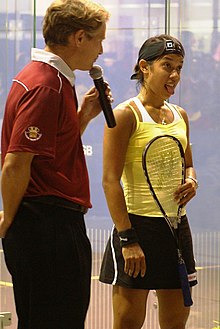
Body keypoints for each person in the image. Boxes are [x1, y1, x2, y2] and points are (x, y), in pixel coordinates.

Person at [0, 0, 110, 328]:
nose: (101, 50)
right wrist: (10, 220)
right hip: (47, 226)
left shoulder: (48, 79)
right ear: (79, 38)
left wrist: (84, 116)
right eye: (99, 40)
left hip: (47, 224)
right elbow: (16, 163)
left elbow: (50, 147)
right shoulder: (47, 85)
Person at [99, 34, 198, 329]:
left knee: (175, 323)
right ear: (145, 67)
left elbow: (188, 164)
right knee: (128, 323)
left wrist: (192, 181)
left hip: (177, 229)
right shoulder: (125, 115)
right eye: (167, 65)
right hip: (137, 230)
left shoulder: (180, 115)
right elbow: (109, 181)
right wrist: (128, 239)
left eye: (179, 67)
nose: (175, 75)